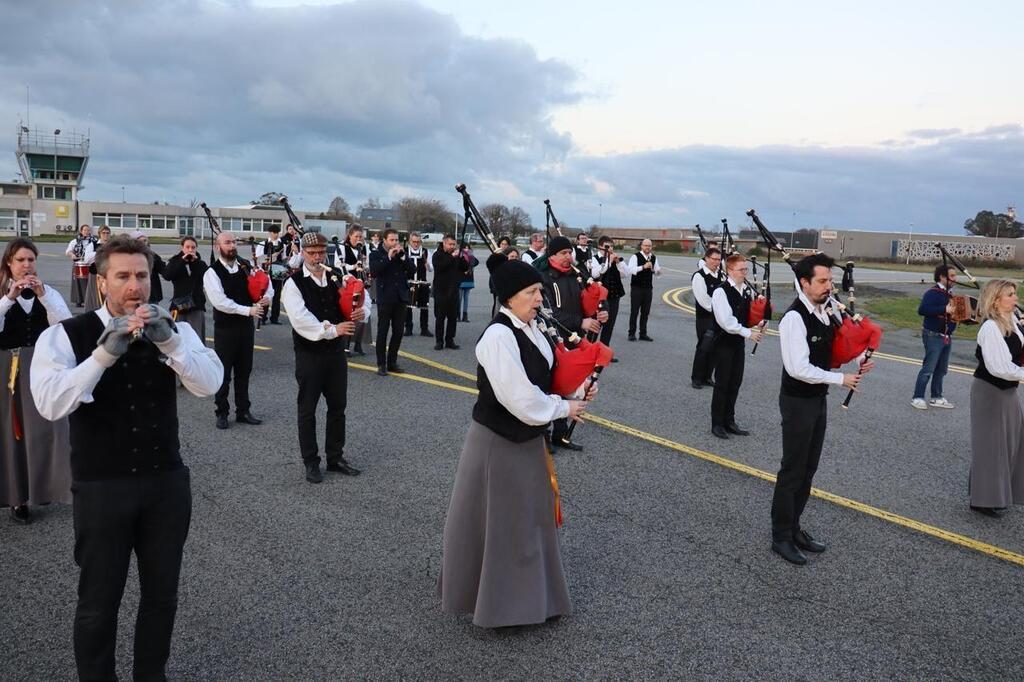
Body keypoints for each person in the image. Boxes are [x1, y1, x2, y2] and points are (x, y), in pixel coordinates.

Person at [30, 234, 221, 681]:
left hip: (165, 483)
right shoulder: (64, 335)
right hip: (102, 486)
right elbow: (50, 404)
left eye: (142, 275)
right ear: (102, 284)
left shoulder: (177, 329)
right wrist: (103, 354)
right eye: (123, 276)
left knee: (162, 596)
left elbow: (210, 383)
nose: (135, 286)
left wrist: (171, 345)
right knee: (99, 600)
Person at [439, 259, 596, 628]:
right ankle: (501, 608)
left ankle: (533, 600)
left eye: (539, 291)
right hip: (498, 443)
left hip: (526, 440)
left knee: (531, 521)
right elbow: (521, 400)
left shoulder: (532, 328)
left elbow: (546, 379)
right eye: (532, 292)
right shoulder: (498, 336)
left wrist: (576, 391)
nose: (539, 298)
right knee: (504, 525)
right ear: (509, 298)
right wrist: (565, 407)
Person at [771, 253, 873, 565]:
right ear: (804, 282)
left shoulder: (826, 310)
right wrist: (840, 378)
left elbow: (837, 345)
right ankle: (781, 536)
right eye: (823, 281)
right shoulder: (794, 318)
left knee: (809, 468)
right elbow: (798, 367)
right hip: (798, 400)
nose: (829, 286)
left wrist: (858, 359)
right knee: (792, 469)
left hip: (817, 398)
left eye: (830, 280)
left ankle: (795, 527)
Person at [0, 238, 72, 524]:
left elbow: (65, 326)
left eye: (31, 260)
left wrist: (43, 296)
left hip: (40, 365)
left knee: (48, 427)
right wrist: (9, 299)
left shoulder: (49, 293)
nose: (27, 265)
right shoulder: (3, 294)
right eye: (21, 260)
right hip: (7, 368)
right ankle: (17, 497)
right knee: (12, 431)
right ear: (9, 263)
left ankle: (46, 487)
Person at [281, 233, 363, 483]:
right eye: (312, 253)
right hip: (310, 355)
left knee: (338, 408)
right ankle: (311, 462)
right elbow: (301, 320)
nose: (317, 257)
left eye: (321, 252)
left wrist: (359, 310)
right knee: (308, 410)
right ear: (302, 253)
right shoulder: (293, 284)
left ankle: (335, 457)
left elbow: (359, 297)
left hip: (336, 355)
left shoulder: (337, 276)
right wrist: (333, 329)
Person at [543, 236, 608, 451]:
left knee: (569, 385)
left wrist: (600, 311)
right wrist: (581, 321)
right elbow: (550, 313)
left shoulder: (575, 274)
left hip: (575, 339)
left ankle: (560, 434)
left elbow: (593, 295)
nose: (568, 257)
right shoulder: (545, 278)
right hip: (553, 338)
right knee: (548, 385)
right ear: (552, 255)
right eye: (563, 253)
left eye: (569, 252)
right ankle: (543, 434)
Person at [203, 231, 271, 429]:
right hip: (225, 329)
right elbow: (220, 302)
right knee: (223, 373)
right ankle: (221, 412)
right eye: (227, 243)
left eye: (233, 242)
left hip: (245, 329)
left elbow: (263, 284)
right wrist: (248, 310)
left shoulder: (245, 267)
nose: (232, 246)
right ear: (218, 247)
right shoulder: (212, 272)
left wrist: (267, 297)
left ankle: (243, 410)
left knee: (244, 371)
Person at [968, 279, 1024, 518]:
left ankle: (997, 491)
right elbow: (999, 367)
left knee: (1011, 442)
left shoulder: (1012, 320)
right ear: (996, 299)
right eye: (1010, 295)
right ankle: (982, 499)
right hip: (990, 392)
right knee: (991, 446)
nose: (1015, 298)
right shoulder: (990, 328)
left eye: (1015, 294)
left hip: (1008, 391)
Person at [709, 254, 765, 439]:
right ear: (730, 270)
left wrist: (757, 323)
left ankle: (729, 421)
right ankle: (717, 424)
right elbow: (726, 321)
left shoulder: (745, 291)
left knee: (735, 383)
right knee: (722, 384)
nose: (745, 273)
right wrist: (749, 333)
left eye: (746, 269)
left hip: (737, 344)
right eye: (742, 270)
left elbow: (745, 317)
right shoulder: (720, 292)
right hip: (723, 343)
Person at [369, 228, 416, 376]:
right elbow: (374, 271)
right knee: (383, 331)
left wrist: (403, 258)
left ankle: (392, 362)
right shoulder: (376, 254)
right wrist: (388, 257)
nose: (395, 243)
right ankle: (381, 364)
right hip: (385, 297)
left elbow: (412, 270)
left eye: (396, 240)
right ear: (384, 240)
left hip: (401, 297)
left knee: (398, 331)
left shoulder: (401, 254)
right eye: (392, 240)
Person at [911, 265, 958, 410]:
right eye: (952, 276)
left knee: (941, 368)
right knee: (929, 367)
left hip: (946, 335)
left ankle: (936, 396)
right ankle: (917, 397)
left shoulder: (950, 294)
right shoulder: (933, 293)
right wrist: (943, 309)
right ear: (942, 277)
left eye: (955, 276)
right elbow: (923, 310)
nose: (955, 279)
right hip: (933, 335)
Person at [163, 236, 209, 342]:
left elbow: (207, 277)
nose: (190, 250)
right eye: (187, 247)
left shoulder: (200, 263)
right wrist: (182, 261)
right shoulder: (175, 261)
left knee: (196, 337)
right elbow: (167, 275)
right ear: (182, 247)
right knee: (179, 337)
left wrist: (195, 262)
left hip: (196, 305)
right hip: (179, 305)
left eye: (193, 247)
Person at [690, 247, 723, 389]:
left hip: (719, 319)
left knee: (715, 349)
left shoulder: (721, 276)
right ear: (706, 259)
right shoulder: (699, 276)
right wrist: (721, 309)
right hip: (705, 318)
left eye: (719, 260)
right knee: (703, 348)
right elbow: (704, 301)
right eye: (714, 259)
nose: (717, 262)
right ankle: (696, 378)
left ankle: (707, 376)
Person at [589, 236, 627, 354]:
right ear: (600, 246)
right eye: (607, 246)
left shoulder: (614, 260)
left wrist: (618, 262)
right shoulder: (594, 259)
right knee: (596, 325)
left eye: (611, 246)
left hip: (614, 297)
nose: (610, 248)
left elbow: (626, 273)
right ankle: (589, 351)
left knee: (609, 326)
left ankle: (603, 352)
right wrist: (608, 261)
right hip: (599, 298)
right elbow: (596, 273)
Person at [432, 234, 469, 351]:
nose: (452, 246)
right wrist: (452, 257)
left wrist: (462, 257)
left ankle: (450, 340)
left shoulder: (456, 255)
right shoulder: (437, 255)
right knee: (440, 317)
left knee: (453, 317)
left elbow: (465, 267)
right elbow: (440, 267)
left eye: (454, 244)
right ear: (444, 243)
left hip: (454, 289)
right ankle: (439, 341)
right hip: (441, 289)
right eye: (450, 244)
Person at [341, 224, 369, 356]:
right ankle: (345, 344)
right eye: (356, 236)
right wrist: (353, 266)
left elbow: (367, 266)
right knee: (349, 313)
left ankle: (358, 343)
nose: (358, 239)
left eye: (360, 236)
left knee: (364, 312)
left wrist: (364, 264)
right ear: (349, 236)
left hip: (361, 282)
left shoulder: (364, 248)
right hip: (348, 283)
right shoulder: (341, 247)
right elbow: (338, 265)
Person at [626, 239, 662, 341]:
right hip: (636, 288)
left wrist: (658, 272)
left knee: (645, 312)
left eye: (649, 246)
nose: (647, 247)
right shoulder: (635, 256)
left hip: (648, 289)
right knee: (634, 311)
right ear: (641, 246)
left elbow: (656, 272)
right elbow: (630, 270)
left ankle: (643, 333)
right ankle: (631, 333)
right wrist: (643, 267)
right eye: (645, 245)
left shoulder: (653, 257)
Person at [255, 224, 288, 324]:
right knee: (265, 294)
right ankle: (262, 318)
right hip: (266, 269)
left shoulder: (283, 244)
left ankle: (275, 318)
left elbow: (284, 258)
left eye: (277, 232)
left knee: (277, 295)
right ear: (269, 233)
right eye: (274, 232)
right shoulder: (262, 244)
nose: (276, 234)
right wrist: (269, 257)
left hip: (278, 269)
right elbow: (257, 258)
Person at [404, 231, 433, 337]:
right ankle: (408, 328)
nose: (416, 244)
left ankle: (424, 329)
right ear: (410, 241)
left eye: (418, 242)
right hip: (409, 283)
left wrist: (428, 266)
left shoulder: (425, 252)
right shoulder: (405, 251)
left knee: (424, 307)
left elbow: (431, 269)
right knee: (408, 307)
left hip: (422, 282)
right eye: (414, 242)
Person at [66, 224, 96, 307]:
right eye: (85, 230)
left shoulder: (94, 241)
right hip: (78, 264)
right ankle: (78, 301)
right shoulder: (75, 241)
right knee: (77, 282)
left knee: (90, 282)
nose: (87, 232)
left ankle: (89, 300)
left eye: (88, 230)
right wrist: (72, 255)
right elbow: (68, 251)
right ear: (81, 231)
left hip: (90, 264)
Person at [131, 231, 165, 305]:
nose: (144, 243)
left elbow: (166, 272)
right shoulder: (130, 257)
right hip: (135, 294)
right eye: (141, 241)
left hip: (152, 295)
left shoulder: (153, 256)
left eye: (145, 240)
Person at [83, 225, 111, 312]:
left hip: (109, 274)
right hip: (95, 273)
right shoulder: (93, 245)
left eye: (107, 233)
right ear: (99, 234)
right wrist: (101, 253)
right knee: (94, 294)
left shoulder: (112, 245)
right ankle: (94, 311)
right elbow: (87, 259)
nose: (106, 235)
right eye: (104, 233)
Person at [457, 242, 479, 322]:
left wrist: (470, 267)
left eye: (468, 247)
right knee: (459, 298)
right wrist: (465, 269)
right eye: (464, 247)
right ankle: (458, 315)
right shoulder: (460, 255)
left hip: (469, 278)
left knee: (466, 298)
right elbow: (459, 265)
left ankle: (465, 315)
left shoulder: (471, 256)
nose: (466, 249)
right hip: (461, 278)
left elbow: (476, 262)